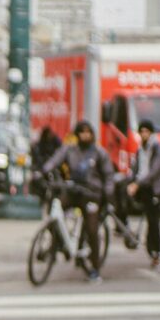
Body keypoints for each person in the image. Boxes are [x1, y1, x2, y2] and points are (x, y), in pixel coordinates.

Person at [41, 120, 114, 283]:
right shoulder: (70, 149)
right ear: (77, 134)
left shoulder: (99, 153)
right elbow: (55, 160)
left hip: (92, 194)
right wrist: (44, 171)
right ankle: (58, 243)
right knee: (56, 211)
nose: (85, 135)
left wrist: (107, 196)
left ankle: (95, 268)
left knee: (92, 229)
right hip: (74, 191)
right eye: (82, 132)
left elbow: (109, 176)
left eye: (88, 133)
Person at [124, 119, 160, 269]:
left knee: (153, 222)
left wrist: (137, 184)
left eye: (146, 131)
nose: (144, 134)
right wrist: (130, 181)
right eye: (141, 131)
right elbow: (136, 169)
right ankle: (126, 232)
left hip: (154, 188)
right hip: (143, 187)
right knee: (123, 198)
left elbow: (154, 171)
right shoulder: (140, 149)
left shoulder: (158, 149)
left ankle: (158, 254)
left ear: (151, 133)